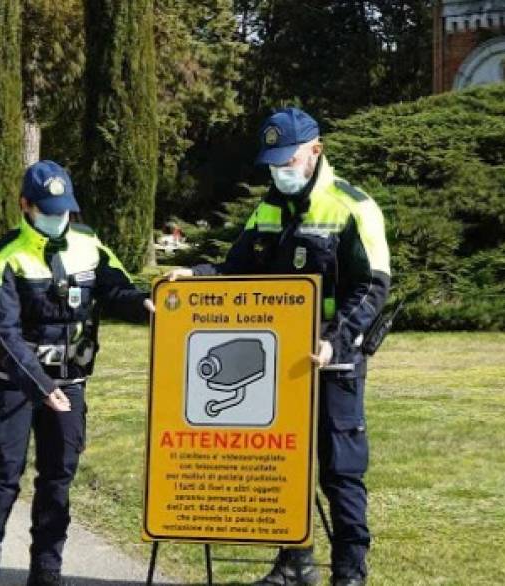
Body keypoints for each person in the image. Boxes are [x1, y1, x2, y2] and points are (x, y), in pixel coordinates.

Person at [167, 107, 391, 586]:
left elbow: (372, 285)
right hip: (277, 360)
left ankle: (351, 572)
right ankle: (294, 564)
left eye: (287, 161)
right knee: (283, 461)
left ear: (316, 150)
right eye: (273, 163)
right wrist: (196, 277)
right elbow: (236, 270)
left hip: (334, 358)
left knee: (340, 468)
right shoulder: (268, 208)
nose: (280, 172)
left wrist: (334, 341)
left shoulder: (353, 206)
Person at [0, 160, 154, 586]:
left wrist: (145, 306)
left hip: (70, 382)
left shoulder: (88, 244)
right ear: (26, 206)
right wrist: (41, 387)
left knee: (58, 480)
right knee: (2, 477)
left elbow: (116, 289)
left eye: (64, 209)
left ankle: (47, 572)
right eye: (49, 209)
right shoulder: (4, 257)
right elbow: (1, 331)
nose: (58, 218)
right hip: (12, 384)